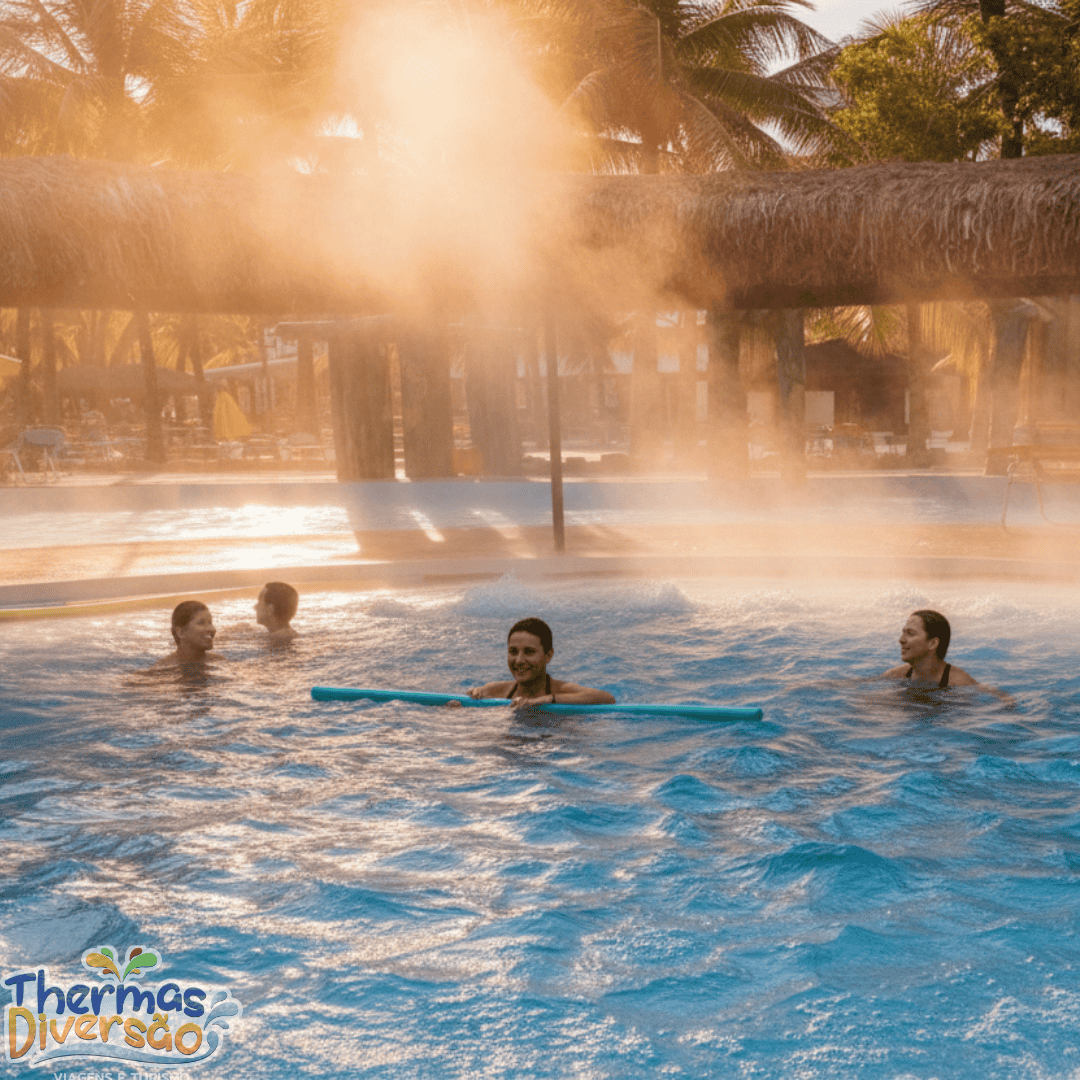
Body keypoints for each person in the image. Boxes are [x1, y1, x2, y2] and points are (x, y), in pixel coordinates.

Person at [464, 617, 615, 707]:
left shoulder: (561, 690)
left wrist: (548, 699)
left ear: (548, 655)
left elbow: (607, 698)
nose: (519, 660)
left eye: (529, 652)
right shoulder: (495, 691)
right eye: (513, 652)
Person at [882, 609, 977, 688]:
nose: (901, 640)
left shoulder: (961, 683)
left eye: (910, 633)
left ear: (932, 643)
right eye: (903, 633)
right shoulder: (895, 675)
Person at [155, 600, 217, 666]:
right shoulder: (163, 668)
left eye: (210, 622)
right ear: (181, 632)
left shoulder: (218, 660)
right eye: (201, 623)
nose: (211, 629)